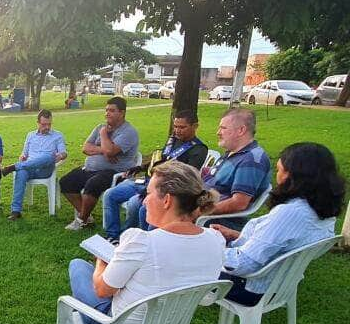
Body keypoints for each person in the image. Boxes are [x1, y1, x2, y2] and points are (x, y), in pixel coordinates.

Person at [31, 161, 225, 324]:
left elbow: (103, 289)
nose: (144, 199)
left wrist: (101, 262)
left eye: (148, 192)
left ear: (167, 200)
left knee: (78, 266)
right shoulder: (215, 240)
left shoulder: (142, 242)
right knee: (96, 290)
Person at [213, 142, 345, 306]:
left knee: (181, 261)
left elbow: (244, 264)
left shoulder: (290, 213)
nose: (277, 176)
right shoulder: (321, 209)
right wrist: (237, 235)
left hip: (250, 287)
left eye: (279, 170)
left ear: (293, 176)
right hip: (279, 282)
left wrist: (207, 248)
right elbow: (281, 244)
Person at [102, 109, 208, 244]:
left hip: (165, 189)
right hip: (147, 181)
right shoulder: (173, 140)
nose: (177, 130)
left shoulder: (198, 149)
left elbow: (186, 179)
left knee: (136, 204)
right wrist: (141, 167)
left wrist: (155, 190)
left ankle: (132, 239)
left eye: (182, 127)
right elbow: (161, 160)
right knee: (110, 194)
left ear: (195, 126)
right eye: (175, 126)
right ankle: (113, 236)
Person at [59, 97, 139, 231]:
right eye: (106, 110)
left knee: (93, 184)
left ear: (122, 113)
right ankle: (87, 217)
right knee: (66, 182)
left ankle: (81, 220)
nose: (107, 113)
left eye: (112, 111)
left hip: (115, 172)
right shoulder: (100, 127)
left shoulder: (128, 132)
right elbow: (85, 148)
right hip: (91, 168)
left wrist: (103, 135)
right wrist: (104, 151)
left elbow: (110, 150)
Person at [196, 108, 271, 230]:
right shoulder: (234, 153)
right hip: (201, 205)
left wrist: (197, 212)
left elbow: (239, 203)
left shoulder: (251, 160)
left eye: (223, 128)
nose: (218, 132)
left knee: (162, 213)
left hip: (216, 221)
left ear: (241, 130)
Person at [0, 109, 68, 220]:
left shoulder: (57, 136)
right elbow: (24, 154)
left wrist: (60, 156)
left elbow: (64, 153)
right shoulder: (30, 135)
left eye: (49, 124)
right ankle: (16, 211)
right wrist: (22, 157)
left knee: (48, 156)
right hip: (29, 168)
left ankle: (13, 167)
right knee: (21, 173)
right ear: (38, 123)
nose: (47, 127)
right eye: (44, 124)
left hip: (45, 169)